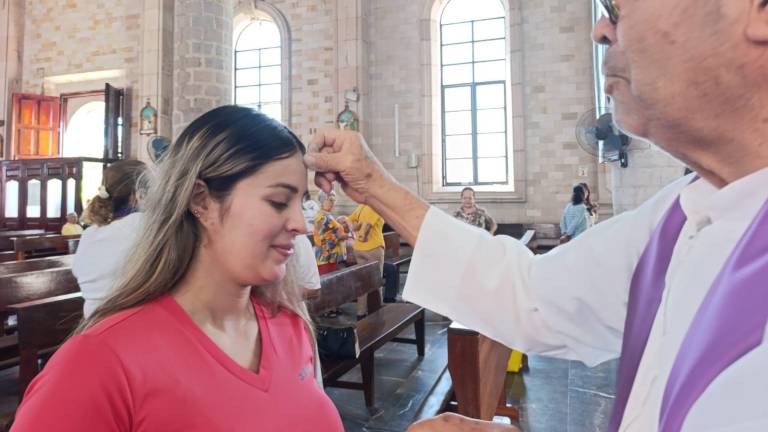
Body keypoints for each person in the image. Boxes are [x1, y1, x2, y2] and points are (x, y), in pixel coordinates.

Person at [304, 1, 768, 429]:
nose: (600, 30)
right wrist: (373, 183)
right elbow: (531, 295)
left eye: (617, 7)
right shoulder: (681, 214)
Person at [11, 106, 343, 431]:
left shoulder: (290, 326)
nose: (301, 224)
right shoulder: (101, 361)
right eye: (278, 202)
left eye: (301, 203)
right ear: (200, 200)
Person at [72, 160, 147, 318]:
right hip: (129, 322)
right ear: (139, 195)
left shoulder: (89, 233)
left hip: (93, 322)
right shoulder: (141, 223)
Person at [344, 204, 385, 315]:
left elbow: (347, 219)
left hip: (358, 249)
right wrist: (363, 236)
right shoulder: (375, 206)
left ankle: (361, 312)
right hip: (373, 247)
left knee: (362, 282)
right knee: (376, 281)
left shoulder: (361, 206)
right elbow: (368, 225)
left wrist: (353, 228)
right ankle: (377, 312)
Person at [312, 190, 348, 275]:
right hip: (325, 258)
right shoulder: (321, 217)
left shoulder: (327, 215)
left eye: (334, 200)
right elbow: (323, 239)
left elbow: (332, 232)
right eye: (330, 200)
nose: (333, 203)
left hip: (332, 257)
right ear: (323, 201)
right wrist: (343, 237)